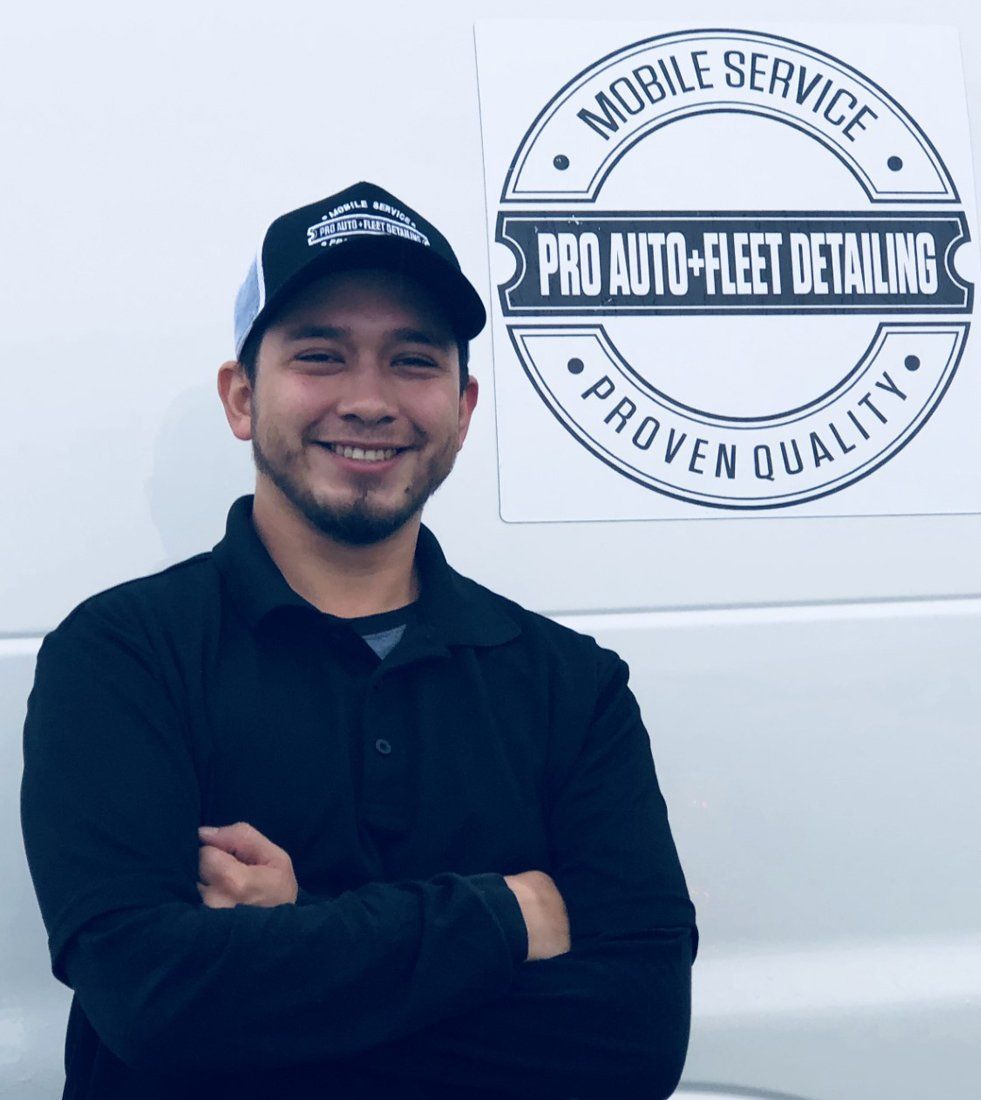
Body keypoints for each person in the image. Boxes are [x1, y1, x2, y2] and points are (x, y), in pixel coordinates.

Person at [20, 181, 698, 1100]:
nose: (369, 400)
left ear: (462, 406)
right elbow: (151, 1001)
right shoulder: (120, 659)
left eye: (412, 360)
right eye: (321, 355)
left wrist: (295, 933)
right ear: (241, 397)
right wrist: (507, 914)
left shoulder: (570, 688)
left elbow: (635, 1045)